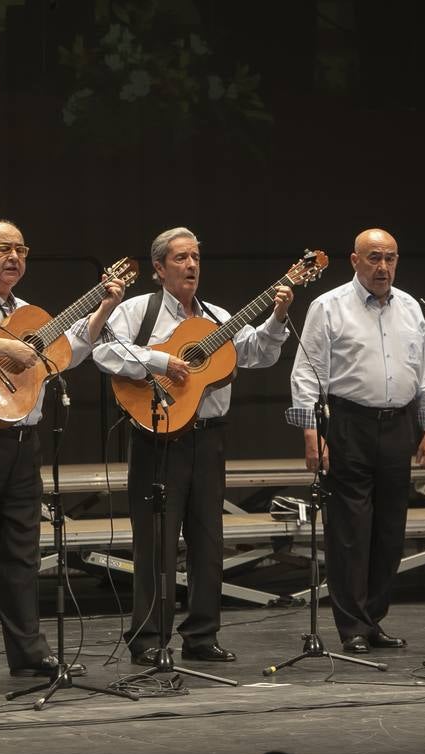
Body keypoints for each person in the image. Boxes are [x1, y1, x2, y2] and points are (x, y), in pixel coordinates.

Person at [0, 219, 123, 684]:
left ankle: (29, 652)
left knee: (20, 550)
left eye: (21, 249)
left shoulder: (30, 311)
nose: (14, 257)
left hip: (19, 439)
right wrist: (8, 346)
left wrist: (101, 311)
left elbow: (61, 354)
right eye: (2, 249)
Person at [93, 227, 292, 664]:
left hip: (208, 437)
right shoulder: (137, 312)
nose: (191, 265)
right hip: (156, 438)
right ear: (160, 268)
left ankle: (202, 635)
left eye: (196, 258)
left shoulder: (216, 317)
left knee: (208, 541)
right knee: (156, 543)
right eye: (181, 258)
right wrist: (163, 361)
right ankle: (148, 640)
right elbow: (105, 352)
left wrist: (277, 318)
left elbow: (257, 354)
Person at [287, 228, 425, 654]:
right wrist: (310, 432)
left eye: (391, 258)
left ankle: (374, 618)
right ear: (355, 261)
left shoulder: (411, 307)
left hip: (399, 424)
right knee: (350, 531)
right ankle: (352, 626)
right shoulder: (328, 306)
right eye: (374, 258)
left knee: (390, 530)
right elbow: (307, 373)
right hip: (349, 423)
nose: (383, 267)